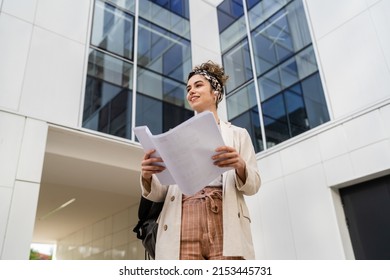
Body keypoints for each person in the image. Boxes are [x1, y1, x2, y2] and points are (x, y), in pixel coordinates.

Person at [140, 60, 261, 260]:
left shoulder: (239, 135)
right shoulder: (174, 136)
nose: (191, 92)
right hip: (183, 218)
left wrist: (240, 165)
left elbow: (254, 185)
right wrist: (147, 176)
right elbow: (161, 192)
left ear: (216, 92)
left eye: (198, 85)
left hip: (225, 219)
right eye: (188, 88)